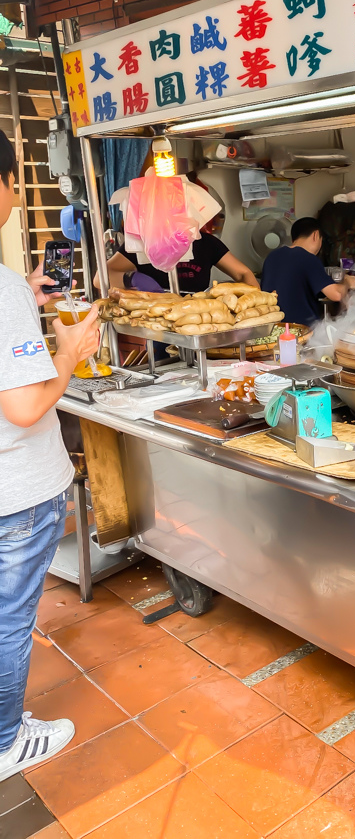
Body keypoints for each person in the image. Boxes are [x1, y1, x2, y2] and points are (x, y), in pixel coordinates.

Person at [0, 130, 100, 781]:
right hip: (20, 492)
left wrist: (30, 306)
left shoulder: (11, 292)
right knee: (11, 620)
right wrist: (70, 353)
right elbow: (26, 408)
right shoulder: (0, 288)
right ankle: (7, 740)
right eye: (13, 182)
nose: (14, 195)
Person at [98, 213, 259, 294]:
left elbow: (243, 273)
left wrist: (253, 300)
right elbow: (100, 279)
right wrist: (132, 279)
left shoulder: (206, 243)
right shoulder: (142, 245)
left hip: (198, 321)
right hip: (157, 324)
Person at [261, 216, 355, 326]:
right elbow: (336, 294)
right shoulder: (309, 258)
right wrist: (347, 281)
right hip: (301, 330)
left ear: (294, 239)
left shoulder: (271, 257)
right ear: (316, 235)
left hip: (273, 328)